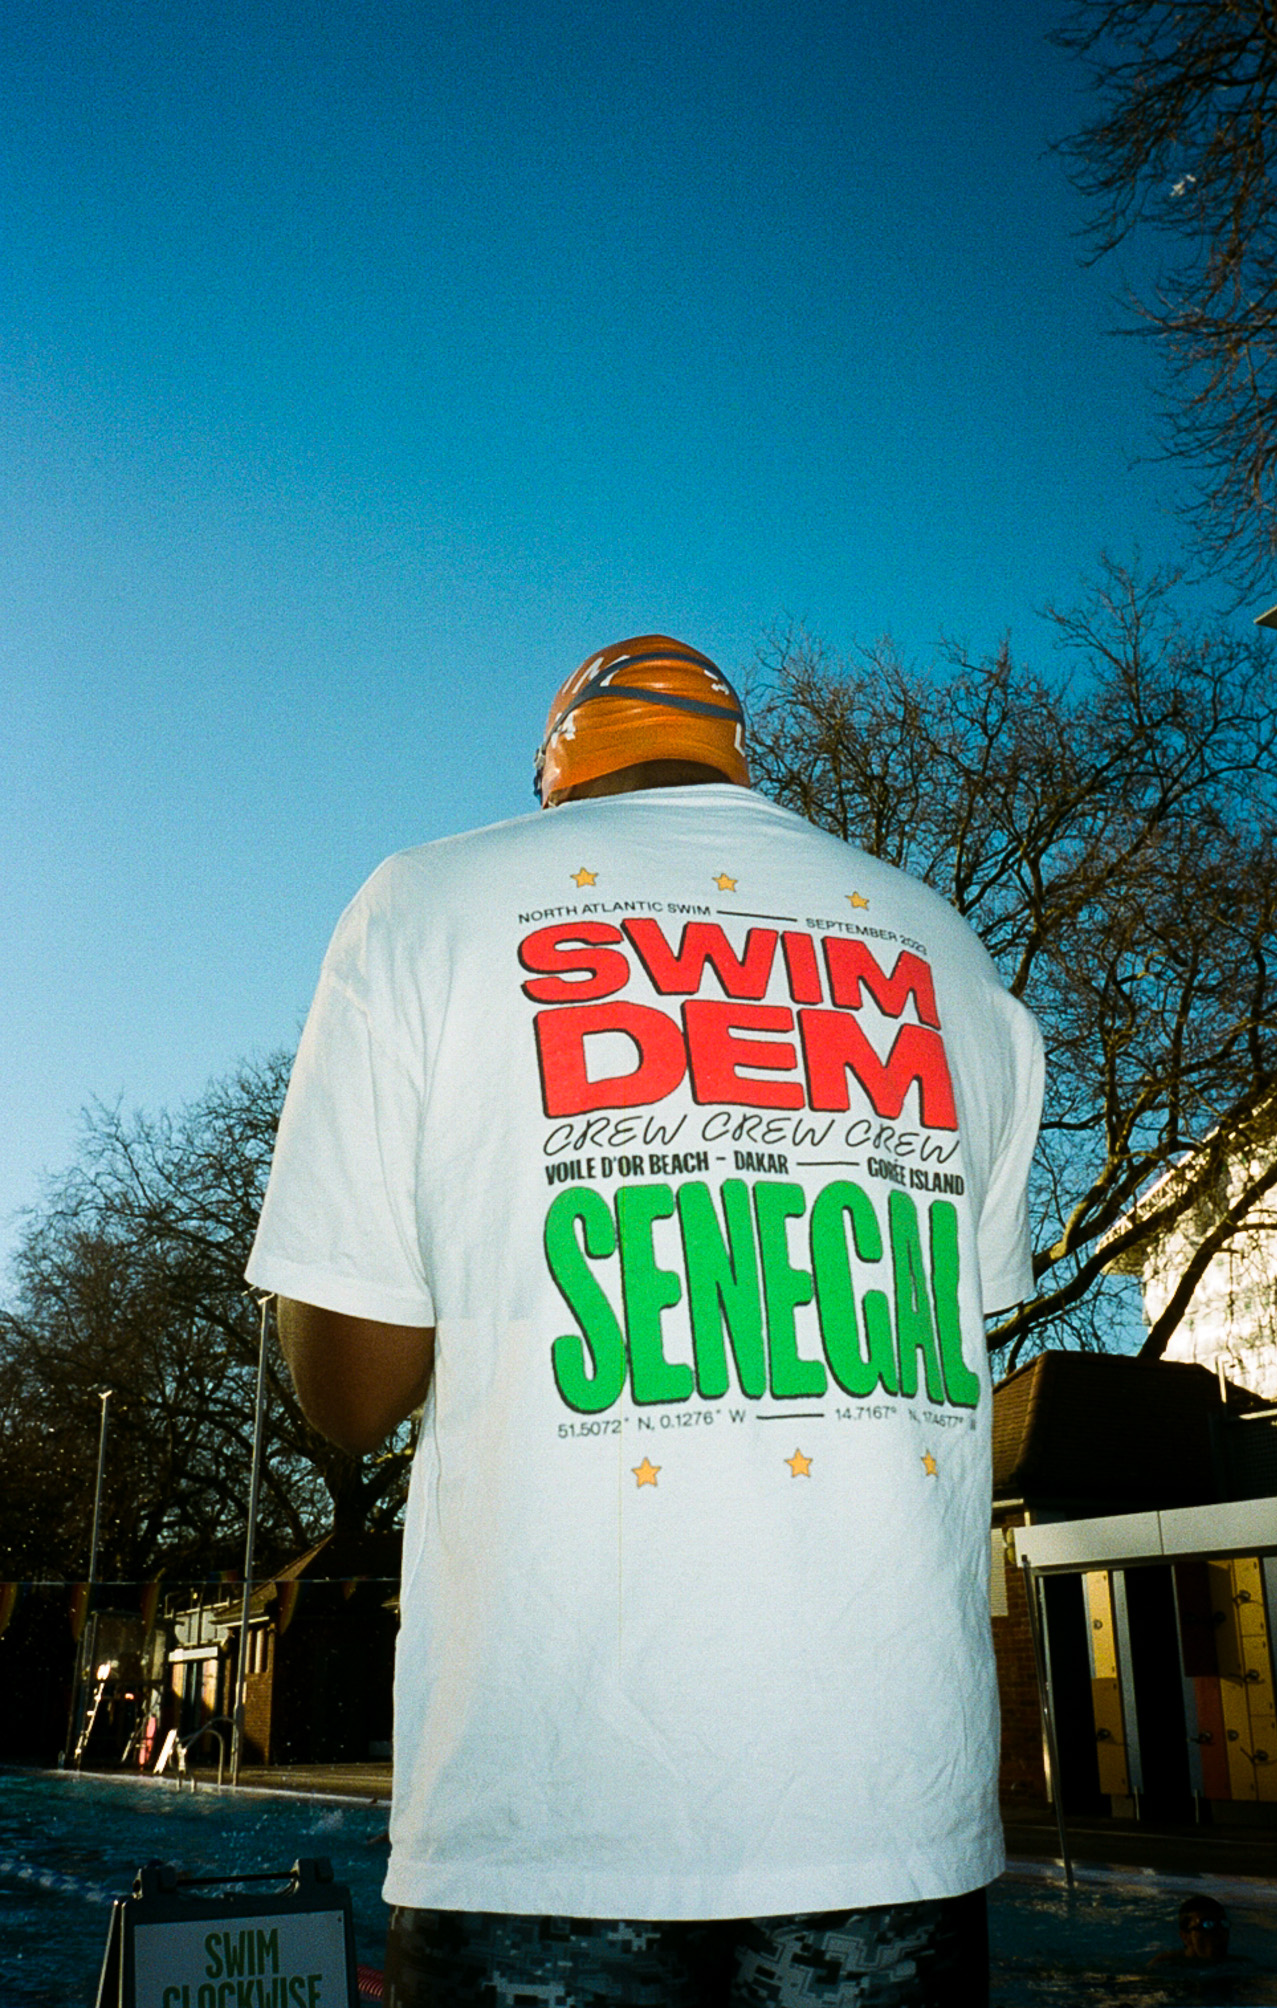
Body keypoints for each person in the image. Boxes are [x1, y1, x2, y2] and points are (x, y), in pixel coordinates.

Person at [247, 636, 1045, 2006]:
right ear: (740, 763)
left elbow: (350, 1391)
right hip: (885, 1802)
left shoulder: (430, 903)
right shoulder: (942, 946)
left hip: (549, 1813)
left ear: (554, 773)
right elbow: (952, 1352)